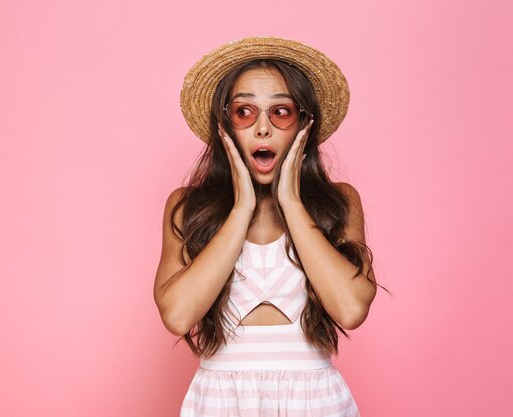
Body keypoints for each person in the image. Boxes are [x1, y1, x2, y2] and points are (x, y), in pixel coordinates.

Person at [154, 36, 384, 417]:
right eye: (245, 112)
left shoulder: (338, 202)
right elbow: (177, 316)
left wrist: (290, 201)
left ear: (303, 126)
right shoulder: (186, 206)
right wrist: (242, 205)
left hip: (314, 401)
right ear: (225, 126)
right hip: (220, 402)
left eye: (281, 112)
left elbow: (350, 309)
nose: (262, 129)